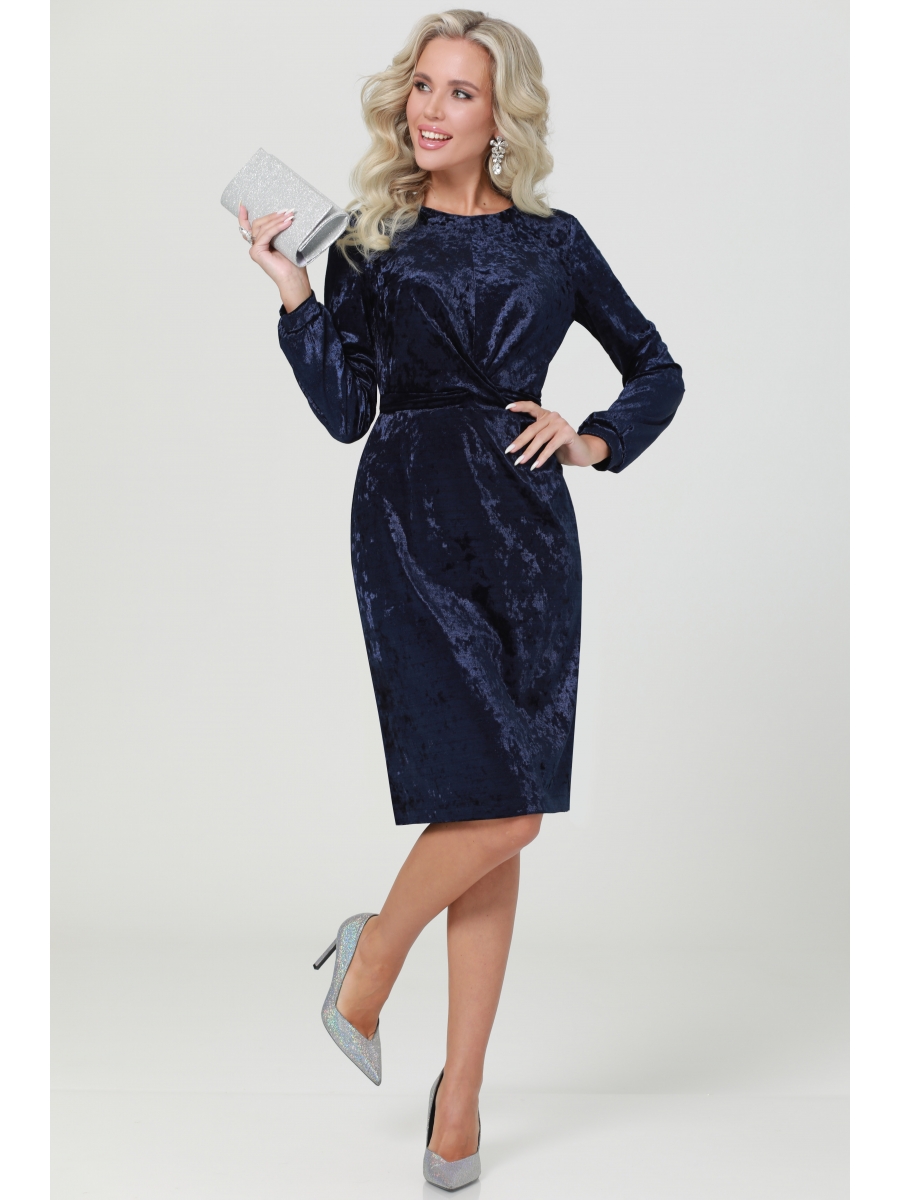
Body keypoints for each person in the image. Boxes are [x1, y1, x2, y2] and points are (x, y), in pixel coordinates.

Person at [237, 9, 684, 1189]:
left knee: (505, 811)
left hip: (529, 541)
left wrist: (590, 438)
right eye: (422, 87)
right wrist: (294, 293)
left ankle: (460, 1092)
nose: (430, 110)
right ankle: (375, 962)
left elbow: (656, 366)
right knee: (498, 809)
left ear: (502, 118)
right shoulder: (371, 241)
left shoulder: (555, 243)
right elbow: (349, 411)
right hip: (410, 531)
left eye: (460, 93)